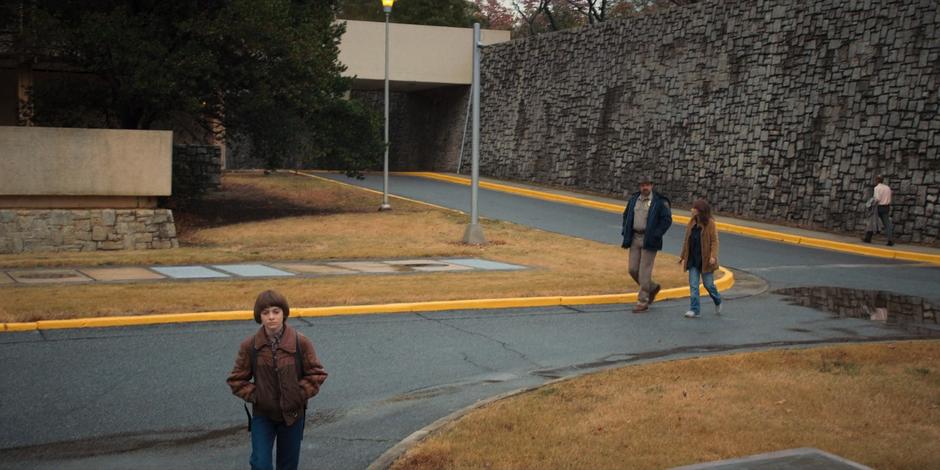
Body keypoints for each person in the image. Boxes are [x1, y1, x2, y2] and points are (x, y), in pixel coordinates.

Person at [228, 290, 328, 470]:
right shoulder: (250, 346)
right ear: (259, 316)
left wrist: (298, 394)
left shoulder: (300, 342)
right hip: (263, 416)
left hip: (293, 415)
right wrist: (258, 396)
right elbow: (236, 380)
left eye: (276, 311)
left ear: (284, 313)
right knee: (260, 464)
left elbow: (317, 374)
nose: (271, 317)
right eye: (265, 313)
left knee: (287, 466)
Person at [621, 174, 672, 313]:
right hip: (635, 238)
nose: (645, 187)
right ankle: (652, 287)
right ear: (640, 186)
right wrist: (625, 229)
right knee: (632, 269)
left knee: (644, 271)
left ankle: (642, 301)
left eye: (647, 185)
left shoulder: (659, 202)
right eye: (642, 185)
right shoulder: (633, 199)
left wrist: (657, 234)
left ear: (652, 185)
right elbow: (626, 215)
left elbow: (667, 220)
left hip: (650, 240)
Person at [678, 198, 722, 318]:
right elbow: (686, 240)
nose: (692, 210)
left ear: (700, 211)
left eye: (694, 208)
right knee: (693, 285)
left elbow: (714, 241)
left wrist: (713, 256)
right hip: (693, 259)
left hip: (705, 260)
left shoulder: (710, 224)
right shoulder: (691, 223)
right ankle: (694, 309)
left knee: (709, 285)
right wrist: (682, 256)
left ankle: (717, 299)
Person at [863, 175, 894, 246]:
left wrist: (870, 204)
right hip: (886, 207)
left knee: (871, 221)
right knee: (887, 224)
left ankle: (868, 238)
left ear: (877, 180)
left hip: (878, 207)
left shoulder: (877, 188)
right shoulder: (887, 188)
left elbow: (877, 199)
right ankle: (890, 240)